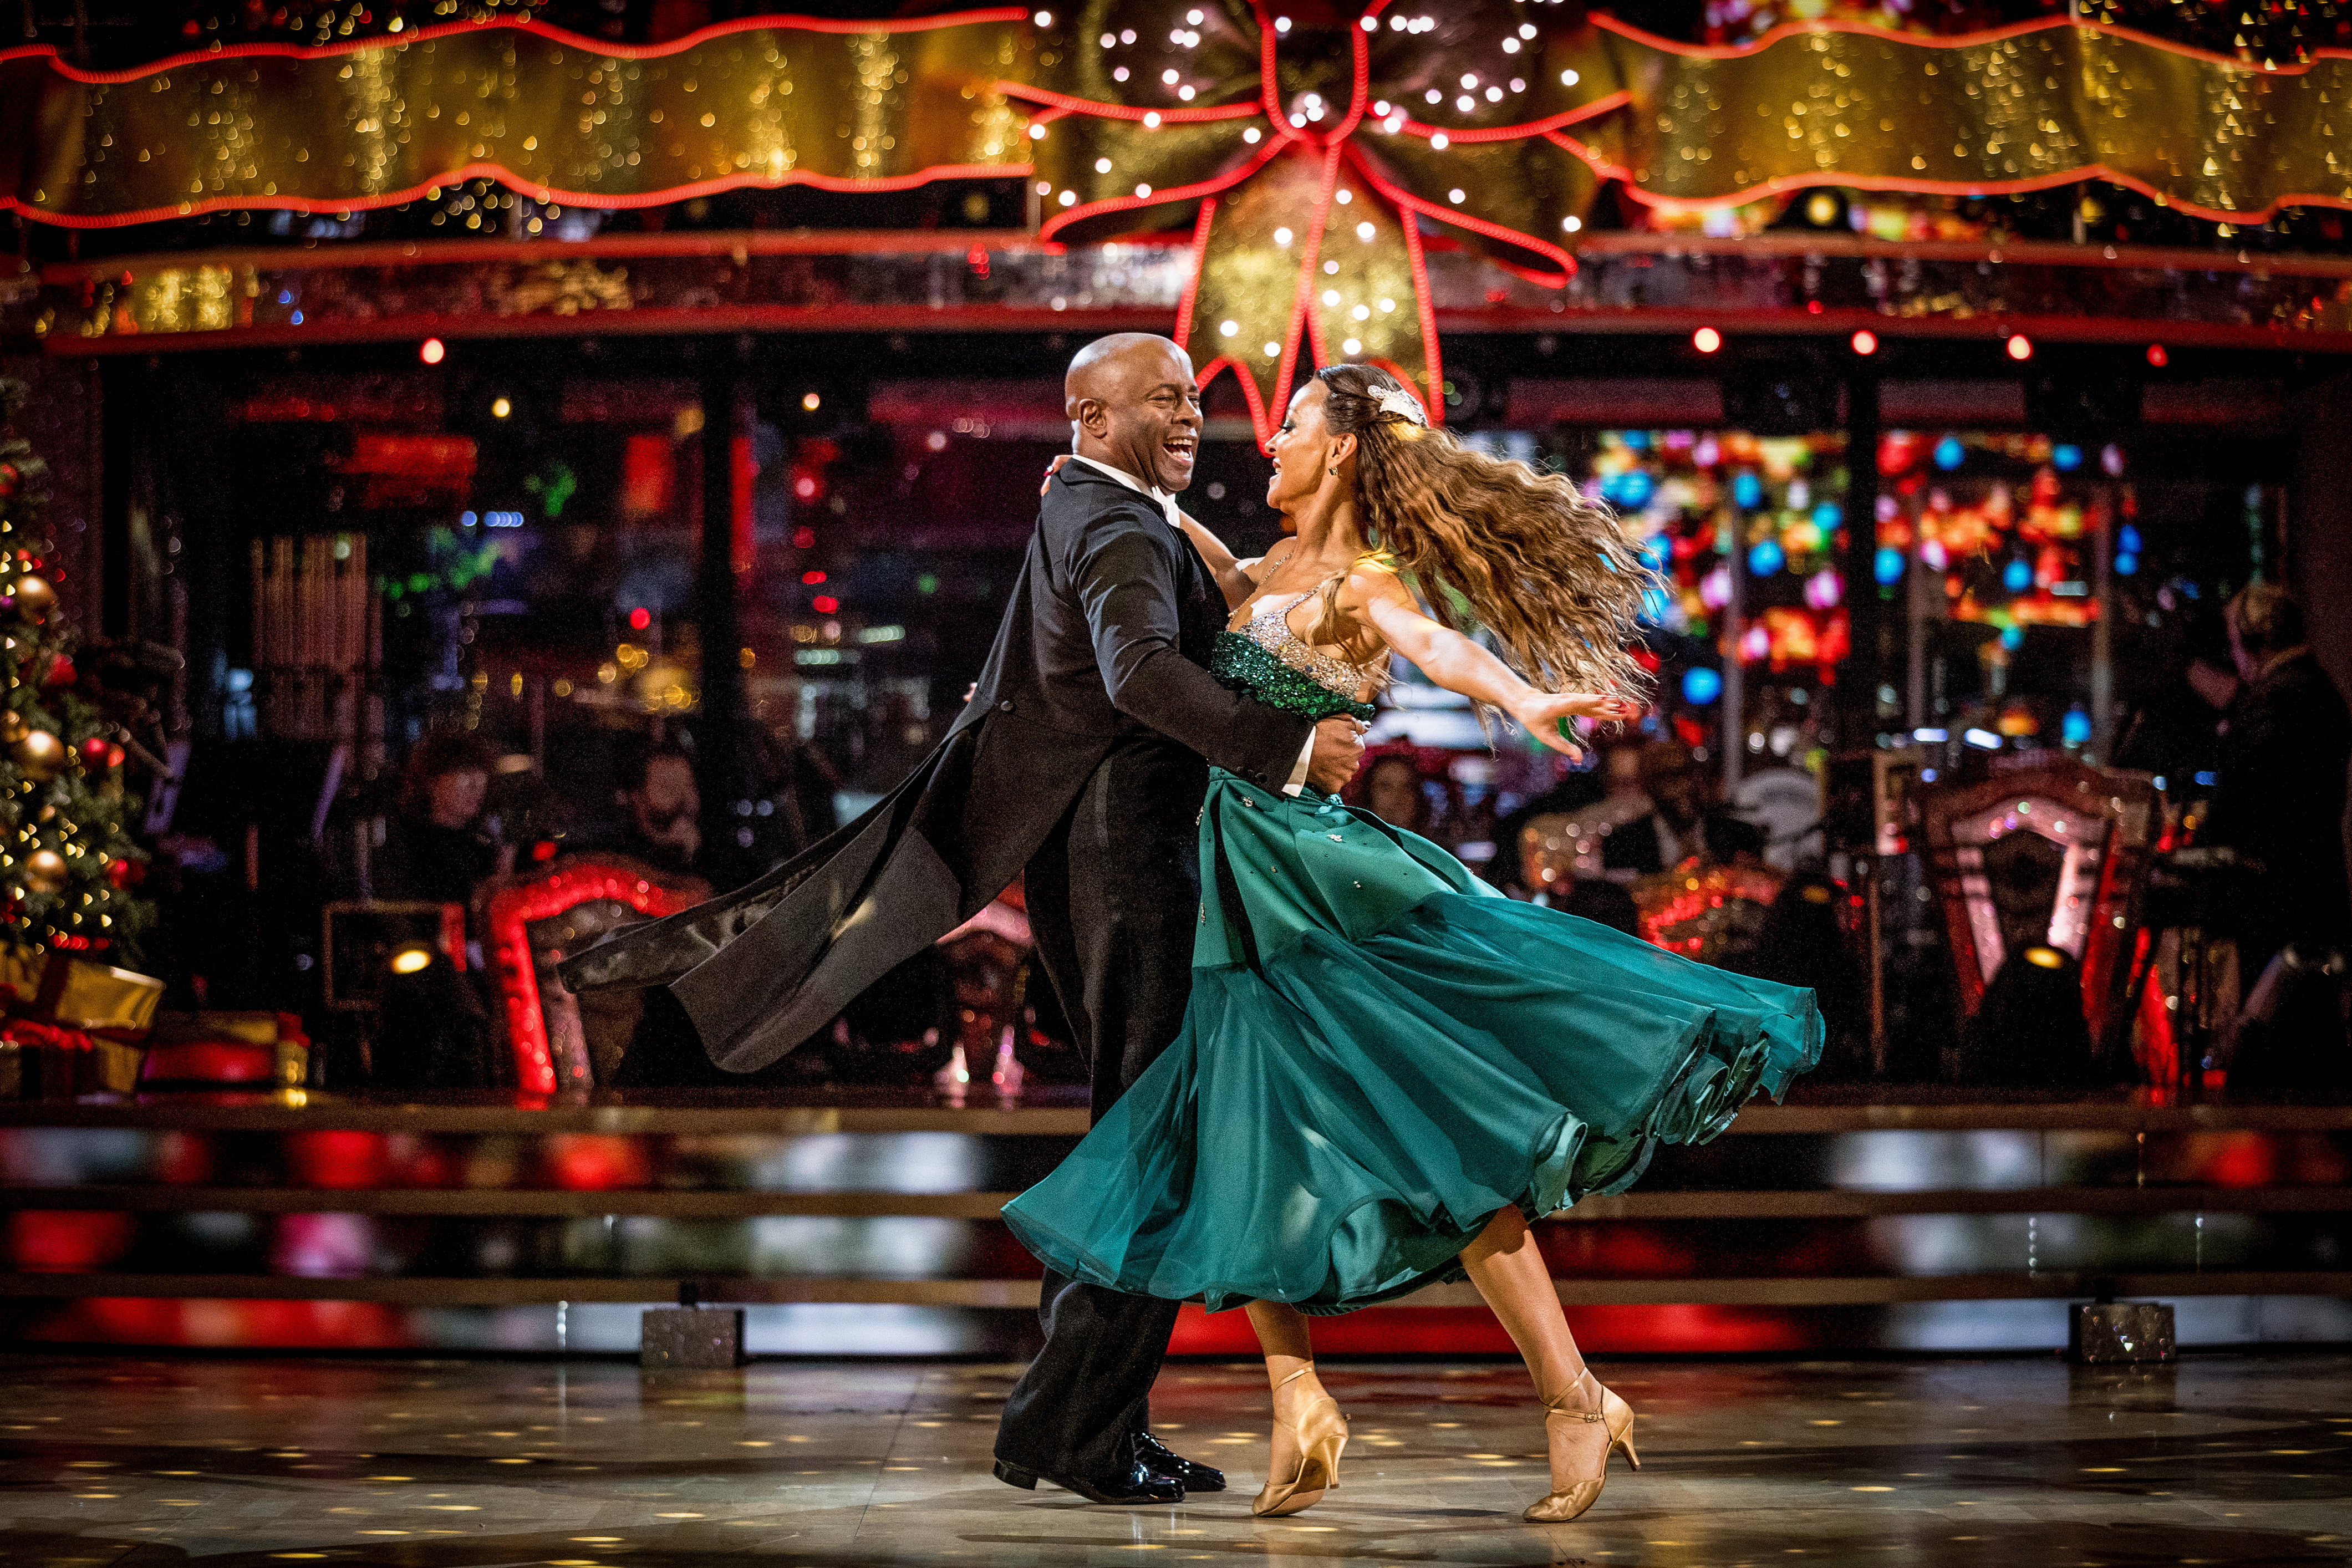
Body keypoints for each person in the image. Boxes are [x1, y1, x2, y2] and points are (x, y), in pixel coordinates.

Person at [999, 365, 1820, 1525]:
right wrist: (1102, 483)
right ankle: (1299, 1400)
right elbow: (1190, 569)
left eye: (1289, 426)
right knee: (1245, 1138)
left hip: (1311, 888)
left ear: (1337, 452)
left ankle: (1574, 1394)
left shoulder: (1360, 577)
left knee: (1435, 1145)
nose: (1264, 443)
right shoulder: (1262, 568)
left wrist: (1524, 700)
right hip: (1234, 894)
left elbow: (1434, 646)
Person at [557, 333, 1365, 1505]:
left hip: (1113, 858)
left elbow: (1174, 626)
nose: (1193, 416)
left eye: (1195, 398)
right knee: (1154, 1144)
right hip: (1125, 862)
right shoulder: (1110, 520)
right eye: (1163, 400)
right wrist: (1291, 747)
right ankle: (1066, 1423)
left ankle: (1092, 1424)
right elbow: (1140, 674)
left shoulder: (1108, 507)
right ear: (1089, 417)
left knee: (1141, 1141)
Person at [2203, 583, 2352, 978]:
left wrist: (2197, 851)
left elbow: (2233, 808)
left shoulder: (2271, 704)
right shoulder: (2322, 691)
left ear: (2254, 640)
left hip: (2274, 903)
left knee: (2275, 1026)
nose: (2235, 657)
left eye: (2236, 643)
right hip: (2321, 890)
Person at [372, 729, 502, 904]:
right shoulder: (408, 849)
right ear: (432, 781)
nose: (476, 785)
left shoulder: (483, 850)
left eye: (481, 774)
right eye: (464, 773)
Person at [1601, 740, 1765, 874]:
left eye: (1684, 774)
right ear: (1650, 786)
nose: (1680, 788)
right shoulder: (1623, 843)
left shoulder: (1738, 835)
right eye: (1666, 778)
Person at [613, 739, 702, 878]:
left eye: (688, 786)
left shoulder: (702, 853)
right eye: (665, 787)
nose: (685, 798)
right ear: (637, 795)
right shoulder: (618, 851)